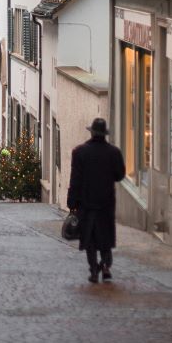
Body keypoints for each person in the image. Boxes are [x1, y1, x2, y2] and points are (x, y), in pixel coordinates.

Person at [66, 117, 126, 283]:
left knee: (90, 239)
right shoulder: (114, 153)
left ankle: (94, 269)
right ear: (104, 134)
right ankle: (105, 266)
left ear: (91, 132)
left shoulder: (80, 152)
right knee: (105, 236)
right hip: (106, 202)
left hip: (86, 203)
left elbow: (75, 179)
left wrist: (72, 202)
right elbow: (120, 175)